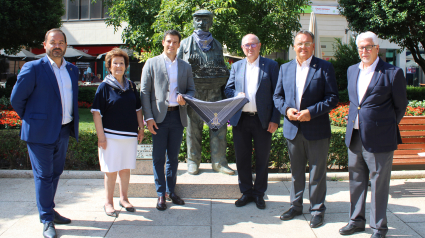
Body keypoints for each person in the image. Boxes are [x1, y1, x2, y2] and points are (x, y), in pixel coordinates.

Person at [10, 28, 79, 238]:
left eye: (61, 42)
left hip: (64, 130)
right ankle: (47, 220)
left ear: (66, 46)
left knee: (55, 173)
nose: (57, 46)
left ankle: (49, 208)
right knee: (44, 176)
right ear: (45, 44)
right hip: (39, 133)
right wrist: (33, 119)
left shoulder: (72, 70)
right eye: (53, 42)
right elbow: (16, 99)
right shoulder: (33, 68)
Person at [339, 31, 408, 238]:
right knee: (356, 180)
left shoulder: (392, 72)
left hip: (380, 138)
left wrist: (383, 126)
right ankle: (356, 221)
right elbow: (355, 103)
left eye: (368, 47)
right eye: (361, 47)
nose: (364, 51)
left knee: (378, 183)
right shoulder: (352, 70)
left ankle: (378, 227)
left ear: (377, 48)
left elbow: (400, 106)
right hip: (355, 135)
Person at [273, 30, 339, 228]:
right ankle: (296, 206)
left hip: (317, 128)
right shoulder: (284, 68)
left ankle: (317, 209)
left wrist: (311, 112)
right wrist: (286, 110)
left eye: (307, 43)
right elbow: (277, 97)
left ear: (313, 45)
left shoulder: (324, 67)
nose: (303, 47)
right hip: (293, 128)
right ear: (294, 47)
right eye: (299, 44)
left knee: (317, 172)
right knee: (296, 171)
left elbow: (332, 98)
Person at [141, 30, 196, 211]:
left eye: (175, 42)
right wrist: (148, 117)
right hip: (158, 118)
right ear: (163, 42)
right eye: (168, 41)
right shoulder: (151, 63)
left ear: (179, 45)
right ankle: (160, 194)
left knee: (173, 158)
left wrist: (185, 98)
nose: (171, 45)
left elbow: (191, 90)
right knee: (158, 158)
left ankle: (171, 191)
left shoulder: (185, 66)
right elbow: (145, 92)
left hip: (177, 116)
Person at [224, 34, 280, 209]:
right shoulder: (237, 66)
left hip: (262, 120)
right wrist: (235, 95)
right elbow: (228, 88)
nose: (250, 48)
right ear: (242, 48)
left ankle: (259, 193)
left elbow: (278, 94)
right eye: (246, 45)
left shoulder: (271, 65)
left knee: (262, 158)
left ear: (259, 45)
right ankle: (246, 192)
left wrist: (275, 119)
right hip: (240, 119)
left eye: (253, 44)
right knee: (242, 158)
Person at [177, 10, 234, 175]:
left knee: (218, 128)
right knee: (193, 128)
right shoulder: (185, 44)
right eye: (198, 20)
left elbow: (221, 66)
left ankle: (219, 162)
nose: (202, 23)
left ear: (211, 22)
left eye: (205, 20)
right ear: (193, 22)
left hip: (215, 92)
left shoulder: (216, 44)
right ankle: (193, 161)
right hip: (194, 94)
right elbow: (178, 69)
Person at [91, 48, 144, 217]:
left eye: (122, 63)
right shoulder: (104, 87)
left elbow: (138, 109)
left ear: (126, 66)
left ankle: (124, 198)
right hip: (110, 136)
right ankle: (108, 202)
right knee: (111, 170)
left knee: (125, 169)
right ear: (109, 66)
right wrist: (101, 137)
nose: (119, 66)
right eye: (115, 63)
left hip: (129, 136)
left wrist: (141, 128)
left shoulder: (131, 86)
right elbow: (96, 112)